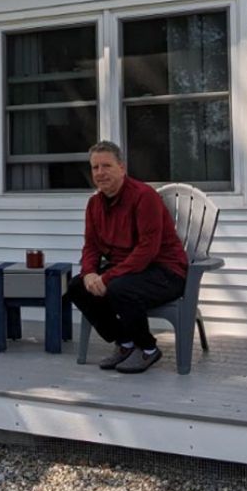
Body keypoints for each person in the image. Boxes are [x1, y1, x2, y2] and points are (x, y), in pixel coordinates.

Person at [67, 141, 188, 373]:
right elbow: (91, 245)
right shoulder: (94, 204)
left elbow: (147, 251)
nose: (100, 173)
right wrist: (90, 273)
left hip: (165, 272)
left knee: (119, 288)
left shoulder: (144, 197)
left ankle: (148, 349)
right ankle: (124, 343)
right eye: (95, 167)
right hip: (127, 272)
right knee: (77, 287)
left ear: (122, 168)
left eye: (106, 166)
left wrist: (107, 278)